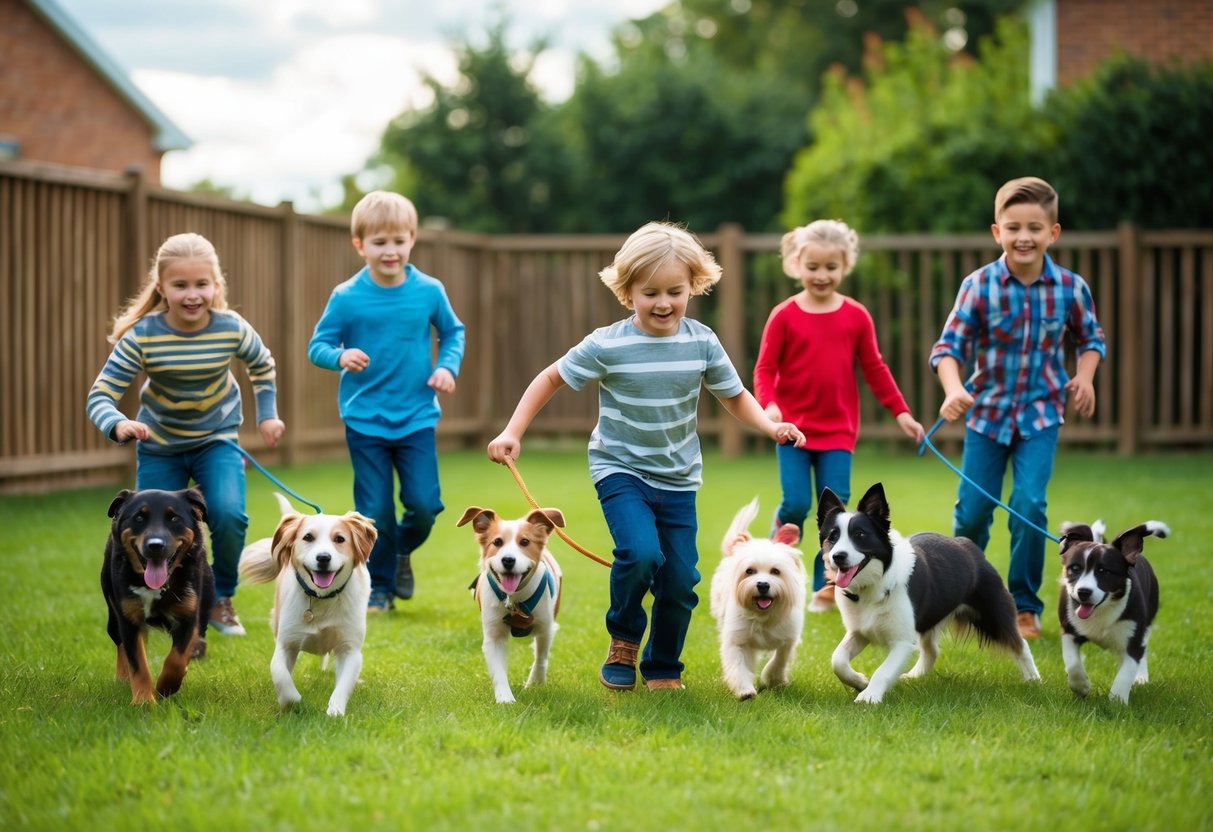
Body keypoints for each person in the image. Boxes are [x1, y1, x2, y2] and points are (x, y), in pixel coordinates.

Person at [487, 221, 805, 692]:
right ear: (627, 291)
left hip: (678, 476)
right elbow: (550, 377)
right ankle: (623, 640)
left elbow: (734, 395)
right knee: (639, 554)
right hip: (620, 468)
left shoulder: (701, 341)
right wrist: (513, 430)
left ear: (693, 286)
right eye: (649, 292)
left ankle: (662, 665)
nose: (662, 303)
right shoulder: (608, 343)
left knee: (680, 578)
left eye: (675, 291)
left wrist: (769, 425)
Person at [86, 232, 286, 642]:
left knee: (228, 514)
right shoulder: (144, 334)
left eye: (202, 284)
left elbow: (262, 366)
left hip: (218, 441)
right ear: (161, 288)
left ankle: (219, 597)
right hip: (160, 446)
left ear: (216, 285)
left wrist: (267, 416)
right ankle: (167, 604)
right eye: (181, 285)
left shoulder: (230, 328)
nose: (193, 294)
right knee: (156, 534)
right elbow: (101, 393)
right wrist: (118, 424)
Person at [930, 176, 1105, 640]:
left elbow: (1091, 340)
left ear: (1053, 232)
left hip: (1040, 416)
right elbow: (948, 348)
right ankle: (965, 593)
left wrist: (1084, 376)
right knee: (971, 514)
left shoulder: (1070, 287)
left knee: (1029, 504)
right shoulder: (979, 285)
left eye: (1034, 227)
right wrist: (952, 389)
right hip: (986, 418)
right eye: (1013, 227)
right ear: (996, 232)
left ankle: (1023, 606)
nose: (1023, 236)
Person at [753, 219, 924, 613]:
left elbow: (876, 369)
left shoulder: (856, 316)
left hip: (837, 433)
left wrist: (900, 412)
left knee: (835, 509)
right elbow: (764, 370)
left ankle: (825, 584)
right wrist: (771, 407)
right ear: (796, 264)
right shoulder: (783, 315)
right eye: (812, 267)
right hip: (792, 431)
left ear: (844, 265)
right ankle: (778, 554)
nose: (821, 275)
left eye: (831, 267)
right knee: (796, 503)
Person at [308, 191, 465, 612]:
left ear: (412, 239)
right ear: (359, 245)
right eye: (379, 242)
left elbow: (453, 332)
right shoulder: (346, 296)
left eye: (398, 240)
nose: (390, 251)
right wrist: (339, 356)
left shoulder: (429, 290)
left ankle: (397, 554)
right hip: (364, 418)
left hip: (416, 416)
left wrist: (447, 366)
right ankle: (378, 587)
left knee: (424, 505)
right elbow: (317, 346)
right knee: (373, 509)